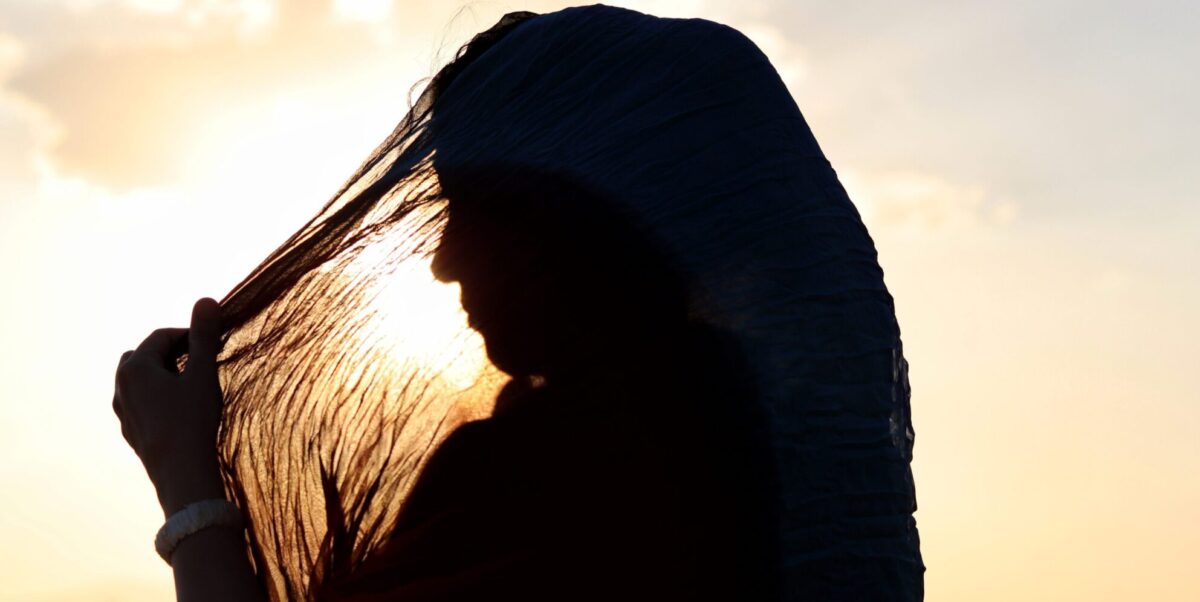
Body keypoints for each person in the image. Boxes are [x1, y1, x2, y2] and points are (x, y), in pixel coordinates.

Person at [113, 6, 923, 601]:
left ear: (580, 231)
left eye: (474, 215)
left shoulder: (572, 474)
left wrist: (187, 484)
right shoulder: (731, 440)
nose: (441, 263)